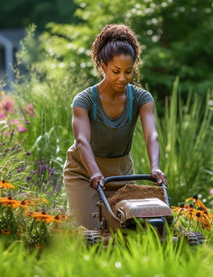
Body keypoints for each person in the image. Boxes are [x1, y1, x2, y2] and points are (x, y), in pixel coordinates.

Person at [63, 24, 167, 229]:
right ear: (103, 66)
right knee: (91, 228)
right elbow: (82, 141)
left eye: (128, 72)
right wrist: (94, 172)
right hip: (84, 172)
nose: (122, 78)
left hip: (121, 173)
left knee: (130, 227)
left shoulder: (141, 98)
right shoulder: (84, 100)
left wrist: (155, 166)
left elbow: (151, 135)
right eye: (116, 71)